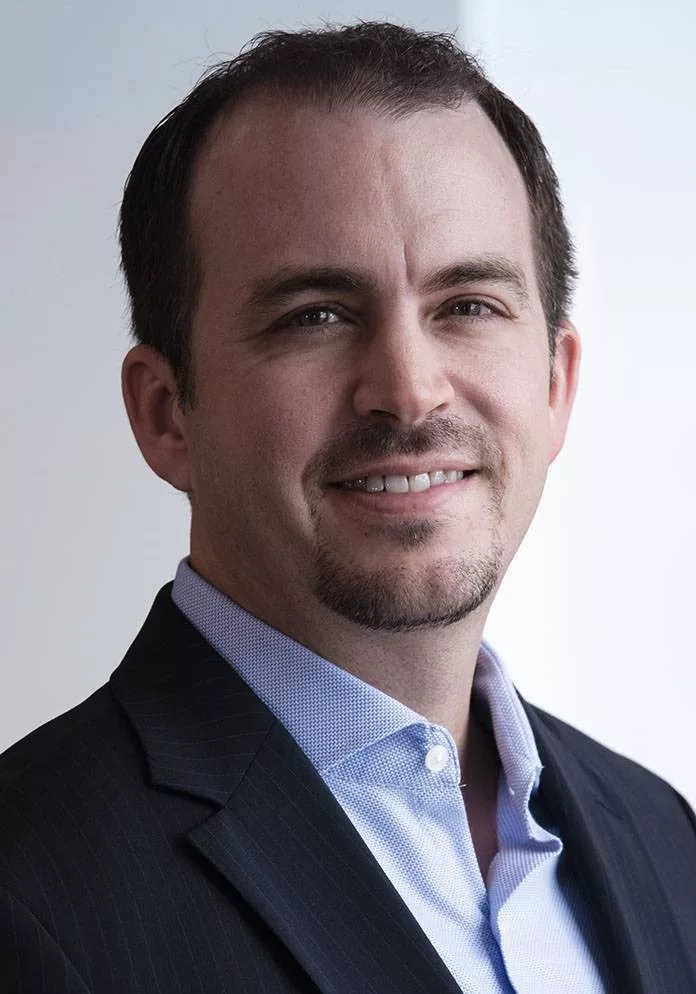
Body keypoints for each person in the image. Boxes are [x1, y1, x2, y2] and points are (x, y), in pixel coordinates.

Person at [1, 21, 694, 994]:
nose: (408, 391)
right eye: (315, 316)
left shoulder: (665, 839)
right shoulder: (30, 892)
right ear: (166, 415)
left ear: (556, 384)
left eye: (468, 305)